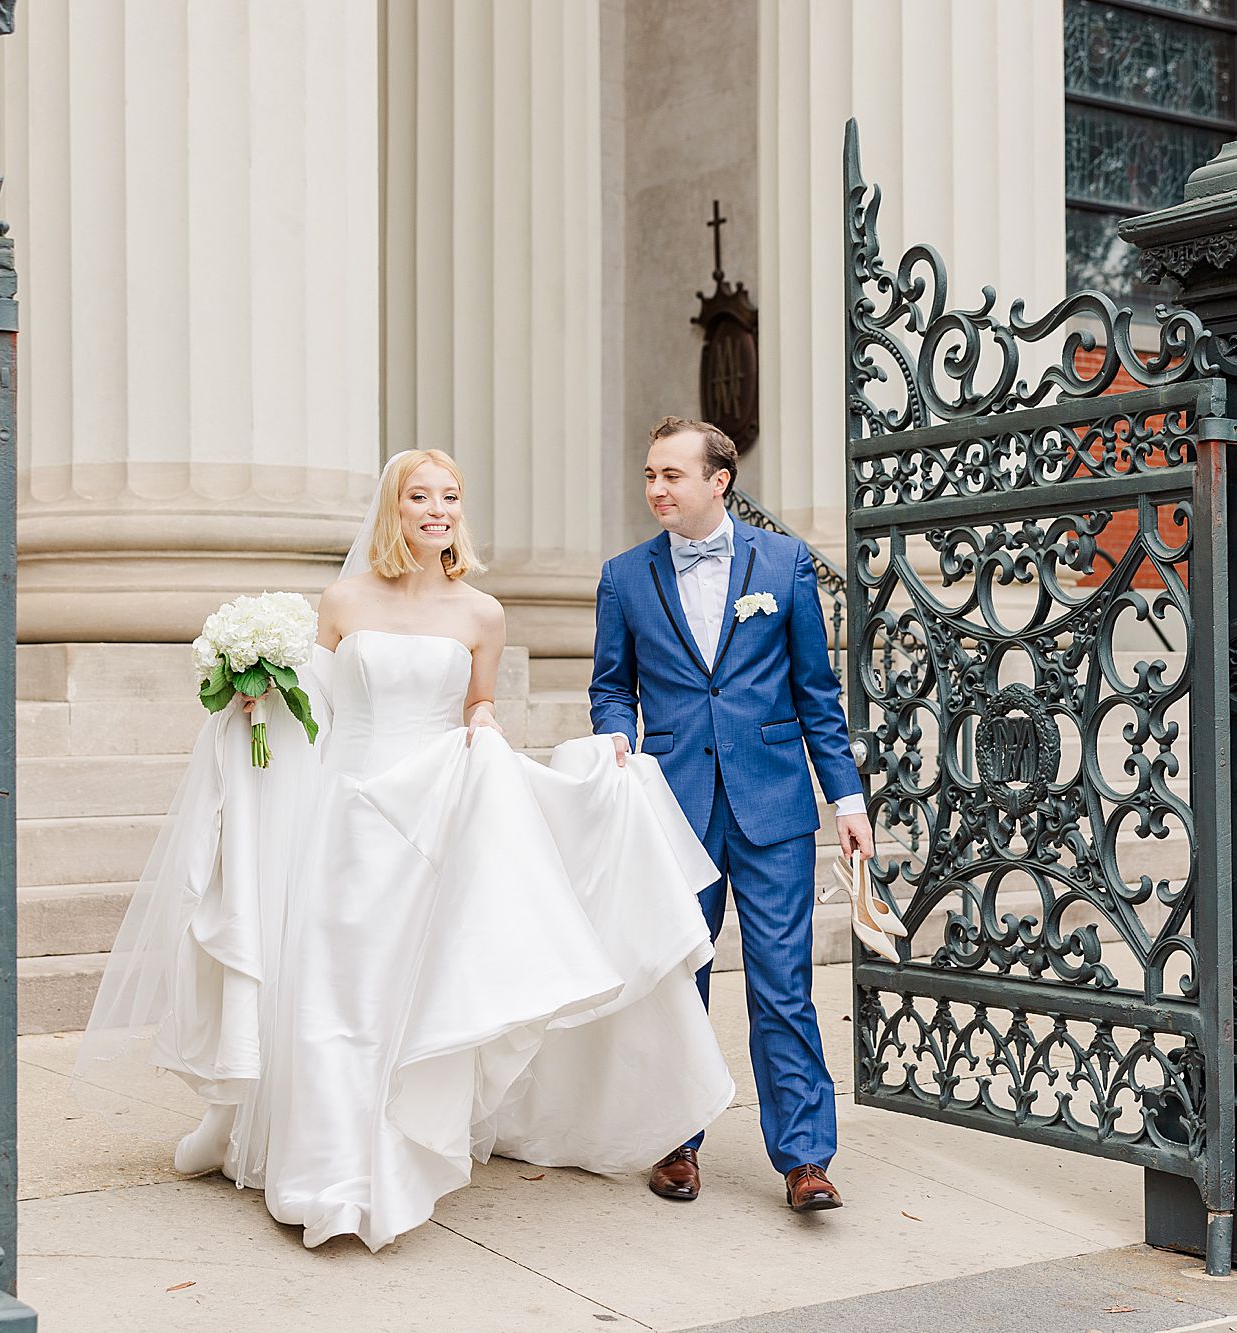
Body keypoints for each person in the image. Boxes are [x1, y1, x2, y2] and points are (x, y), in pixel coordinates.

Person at [75, 448, 734, 1252]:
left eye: (450, 496)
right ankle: (324, 1167)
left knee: (404, 994)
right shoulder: (343, 600)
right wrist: (256, 693)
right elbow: (308, 701)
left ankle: (384, 1160)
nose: (438, 509)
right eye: (420, 495)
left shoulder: (482, 614)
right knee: (334, 987)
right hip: (346, 809)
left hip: (432, 818)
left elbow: (478, 703)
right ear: (393, 508)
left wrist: (486, 728)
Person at [591, 416, 872, 1213]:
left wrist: (845, 799)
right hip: (672, 807)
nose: (655, 489)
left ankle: (806, 1157)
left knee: (783, 984)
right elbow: (612, 684)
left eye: (671, 475)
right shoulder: (624, 576)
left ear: (720, 480)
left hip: (774, 803)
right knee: (680, 979)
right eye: (649, 474)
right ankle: (675, 1140)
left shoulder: (783, 564)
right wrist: (615, 737)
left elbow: (817, 694)